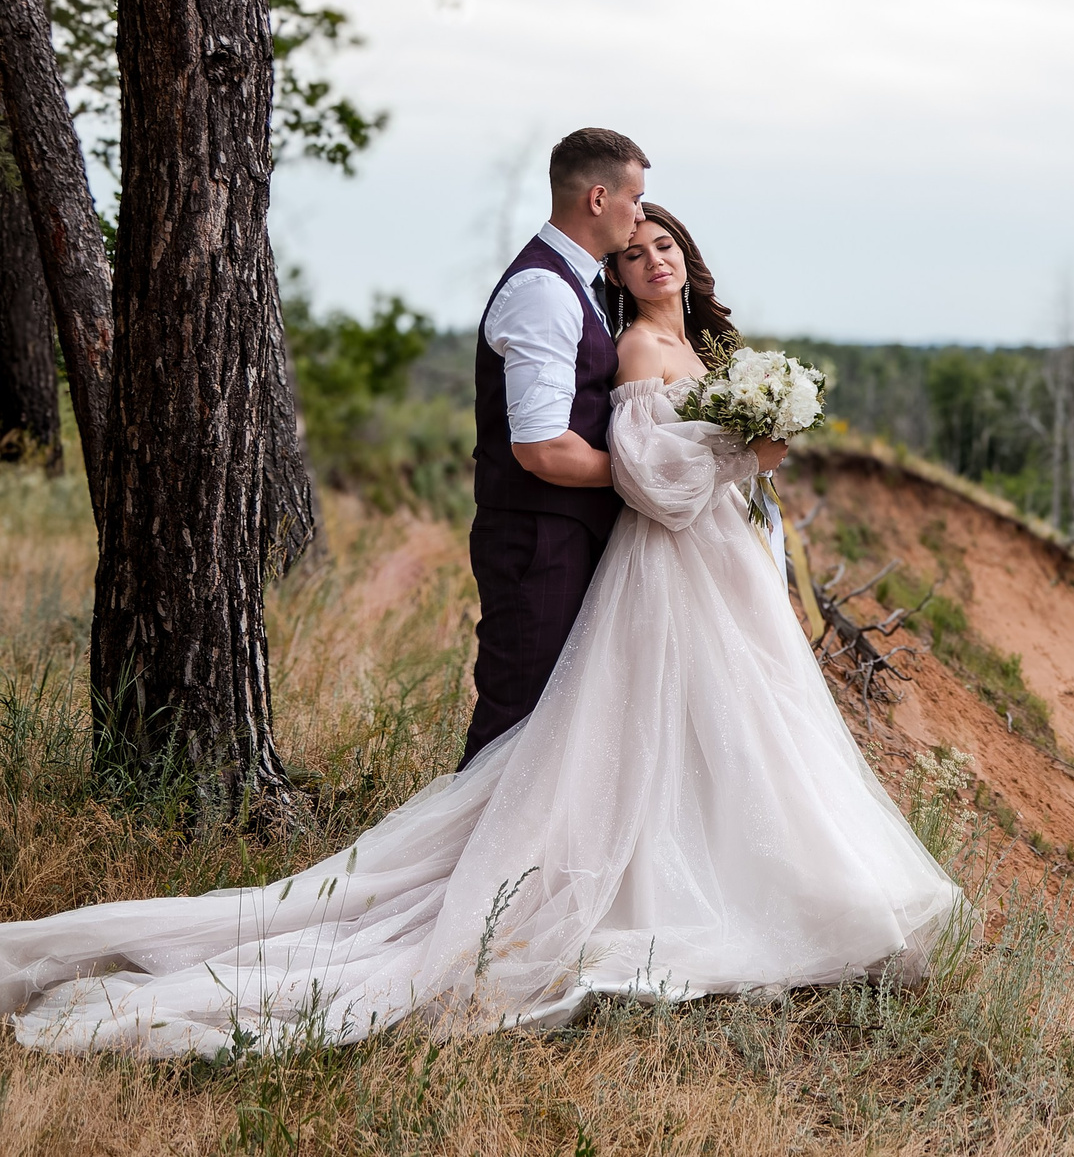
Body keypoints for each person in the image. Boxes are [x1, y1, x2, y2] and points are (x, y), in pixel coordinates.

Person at [0, 194, 961, 1056]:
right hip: (673, 567)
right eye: (634, 251)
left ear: (689, 256)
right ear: (618, 269)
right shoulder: (637, 349)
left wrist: (760, 444)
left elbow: (713, 467)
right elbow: (653, 481)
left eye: (665, 245)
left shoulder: (712, 353)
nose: (652, 259)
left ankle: (769, 879)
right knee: (661, 720)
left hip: (728, 562)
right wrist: (738, 453)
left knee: (746, 723)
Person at [462, 127, 650, 768]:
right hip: (537, 540)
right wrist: (650, 474)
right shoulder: (543, 291)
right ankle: (473, 836)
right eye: (634, 199)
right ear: (598, 198)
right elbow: (542, 448)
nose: (640, 214)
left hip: (565, 533)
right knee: (517, 721)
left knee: (557, 733)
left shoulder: (581, 285)